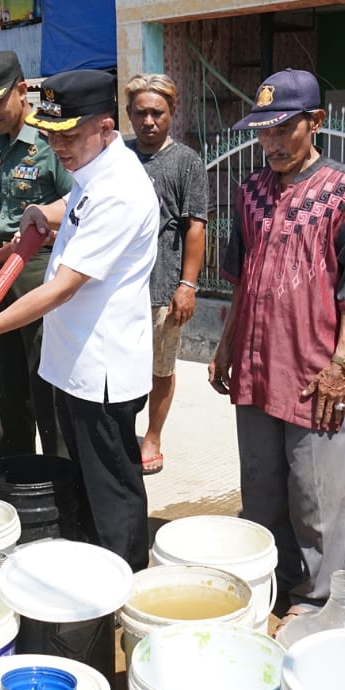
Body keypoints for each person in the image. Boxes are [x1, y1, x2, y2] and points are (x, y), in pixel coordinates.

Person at [0, 69, 160, 571]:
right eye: (51, 134)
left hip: (101, 371)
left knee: (113, 492)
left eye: (69, 134)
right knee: (86, 480)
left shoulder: (121, 191)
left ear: (106, 126)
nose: (58, 145)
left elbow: (60, 287)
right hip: (75, 363)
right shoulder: (98, 172)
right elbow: (76, 201)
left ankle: (125, 580)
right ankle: (96, 571)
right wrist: (47, 209)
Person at [208, 69, 345, 625]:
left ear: (316, 123)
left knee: (316, 499)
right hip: (257, 366)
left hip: (313, 370)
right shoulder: (250, 192)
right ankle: (271, 584)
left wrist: (340, 366)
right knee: (260, 491)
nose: (274, 143)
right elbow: (242, 278)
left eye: (285, 128)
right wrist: (225, 344)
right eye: (264, 132)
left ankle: (317, 602)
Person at [0, 50, 73, 459]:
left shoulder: (50, 143)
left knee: (46, 382)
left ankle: (59, 479)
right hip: (1, 269)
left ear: (23, 91)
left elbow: (75, 208)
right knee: (2, 382)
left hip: (40, 271)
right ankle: (14, 470)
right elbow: (5, 215)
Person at [124, 74, 208, 476]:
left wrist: (187, 286)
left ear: (172, 113)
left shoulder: (186, 161)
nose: (148, 121)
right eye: (140, 113)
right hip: (120, 287)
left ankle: (152, 435)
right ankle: (123, 431)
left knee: (161, 368)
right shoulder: (118, 157)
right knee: (121, 365)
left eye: (157, 112)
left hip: (163, 286)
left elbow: (195, 226)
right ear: (128, 114)